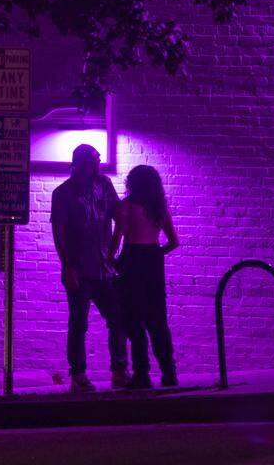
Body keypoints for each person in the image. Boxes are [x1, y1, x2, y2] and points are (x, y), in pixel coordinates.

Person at [50, 144, 128, 392]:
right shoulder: (62, 193)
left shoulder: (103, 185)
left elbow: (120, 217)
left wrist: (113, 249)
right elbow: (59, 232)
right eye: (95, 160)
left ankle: (119, 371)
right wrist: (67, 267)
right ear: (81, 163)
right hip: (78, 268)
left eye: (99, 160)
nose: (98, 164)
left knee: (117, 318)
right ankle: (78, 375)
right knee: (78, 323)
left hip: (104, 268)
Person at [109, 164, 179, 388]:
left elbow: (118, 236)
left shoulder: (126, 206)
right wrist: (156, 254)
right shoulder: (159, 208)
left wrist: (110, 259)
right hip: (153, 260)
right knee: (158, 319)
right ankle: (169, 373)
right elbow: (174, 242)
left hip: (132, 259)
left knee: (134, 320)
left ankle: (142, 374)